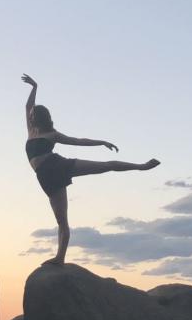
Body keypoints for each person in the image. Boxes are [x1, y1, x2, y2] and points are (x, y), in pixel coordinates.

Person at [22, 74, 159, 265]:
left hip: (58, 167)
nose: (30, 116)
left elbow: (79, 141)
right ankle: (59, 258)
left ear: (40, 119)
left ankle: (142, 166)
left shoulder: (52, 134)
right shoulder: (31, 130)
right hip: (46, 178)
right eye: (31, 115)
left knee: (105, 166)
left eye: (33, 116)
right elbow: (28, 107)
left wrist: (101, 142)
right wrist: (34, 87)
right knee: (61, 221)